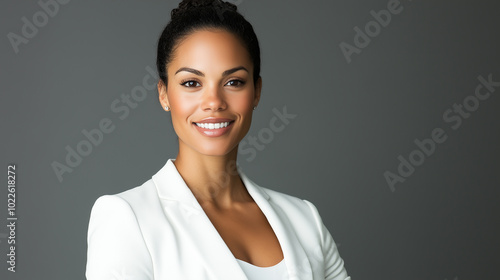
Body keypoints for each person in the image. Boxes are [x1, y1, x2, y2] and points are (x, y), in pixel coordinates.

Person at [85, 0, 350, 279]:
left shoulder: (304, 219)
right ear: (163, 94)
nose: (214, 102)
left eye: (233, 82)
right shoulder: (127, 218)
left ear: (256, 92)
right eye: (191, 83)